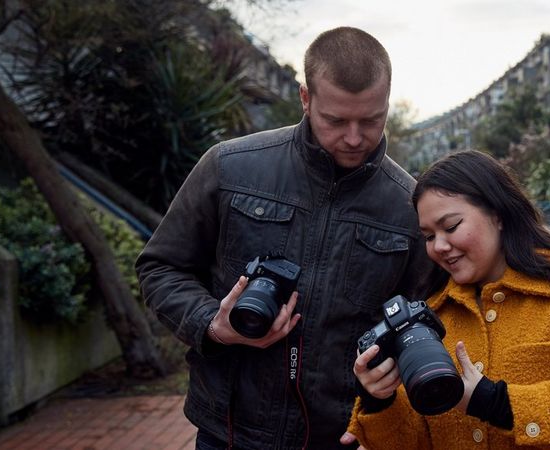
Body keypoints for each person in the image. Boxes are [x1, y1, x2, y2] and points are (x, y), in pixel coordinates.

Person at [135, 27, 433, 449]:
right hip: (228, 434)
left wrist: (387, 387)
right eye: (336, 120)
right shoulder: (229, 167)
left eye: (371, 119)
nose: (353, 137)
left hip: (339, 439)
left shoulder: (409, 207)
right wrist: (213, 325)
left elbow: (427, 317)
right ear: (306, 98)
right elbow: (160, 267)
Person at [346, 150, 550, 449]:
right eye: (428, 236)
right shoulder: (429, 319)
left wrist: (496, 402)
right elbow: (410, 442)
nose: (438, 246)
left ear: (497, 214)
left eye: (451, 226)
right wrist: (380, 400)